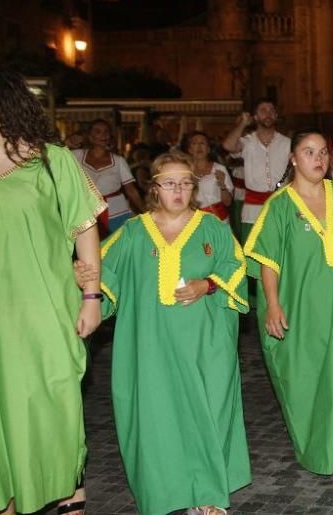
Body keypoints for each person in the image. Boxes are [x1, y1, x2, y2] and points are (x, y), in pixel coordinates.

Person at [86, 151, 250, 515]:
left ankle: (207, 493)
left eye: (186, 182)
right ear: (155, 188)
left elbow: (236, 268)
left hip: (204, 344)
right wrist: (83, 282)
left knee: (208, 412)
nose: (178, 189)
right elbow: (101, 273)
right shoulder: (132, 232)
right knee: (158, 416)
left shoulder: (210, 227)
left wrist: (207, 284)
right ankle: (163, 492)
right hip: (150, 348)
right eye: (169, 183)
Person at [0, 66, 104, 515]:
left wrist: (91, 297)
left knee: (49, 397)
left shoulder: (50, 160)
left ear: (7, 101)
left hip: (43, 306)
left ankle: (65, 491)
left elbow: (84, 226)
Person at [243, 131, 333, 476]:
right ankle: (317, 446)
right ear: (293, 158)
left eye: (323, 152)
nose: (318, 159)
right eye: (308, 152)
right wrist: (273, 304)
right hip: (303, 308)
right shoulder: (279, 206)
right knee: (309, 377)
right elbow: (267, 261)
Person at [222, 99, 291, 245]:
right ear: (255, 117)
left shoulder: (287, 143)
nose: (268, 114)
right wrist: (242, 124)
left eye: (271, 110)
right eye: (263, 110)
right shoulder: (247, 141)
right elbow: (228, 146)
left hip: (281, 206)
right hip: (252, 210)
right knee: (252, 252)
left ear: (276, 115)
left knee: (281, 251)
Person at [73, 118, 145, 235]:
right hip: (86, 211)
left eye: (106, 132)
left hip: (116, 213)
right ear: (90, 136)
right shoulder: (77, 156)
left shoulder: (119, 161)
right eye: (98, 132)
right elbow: (53, 157)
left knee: (115, 247)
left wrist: (146, 212)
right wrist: (67, 142)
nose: (103, 135)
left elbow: (131, 190)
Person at [185, 130, 234, 222]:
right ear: (190, 149)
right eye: (195, 143)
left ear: (208, 149)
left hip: (218, 219)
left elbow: (228, 202)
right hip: (192, 220)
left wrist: (222, 185)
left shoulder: (219, 169)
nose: (199, 146)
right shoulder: (184, 171)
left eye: (202, 143)